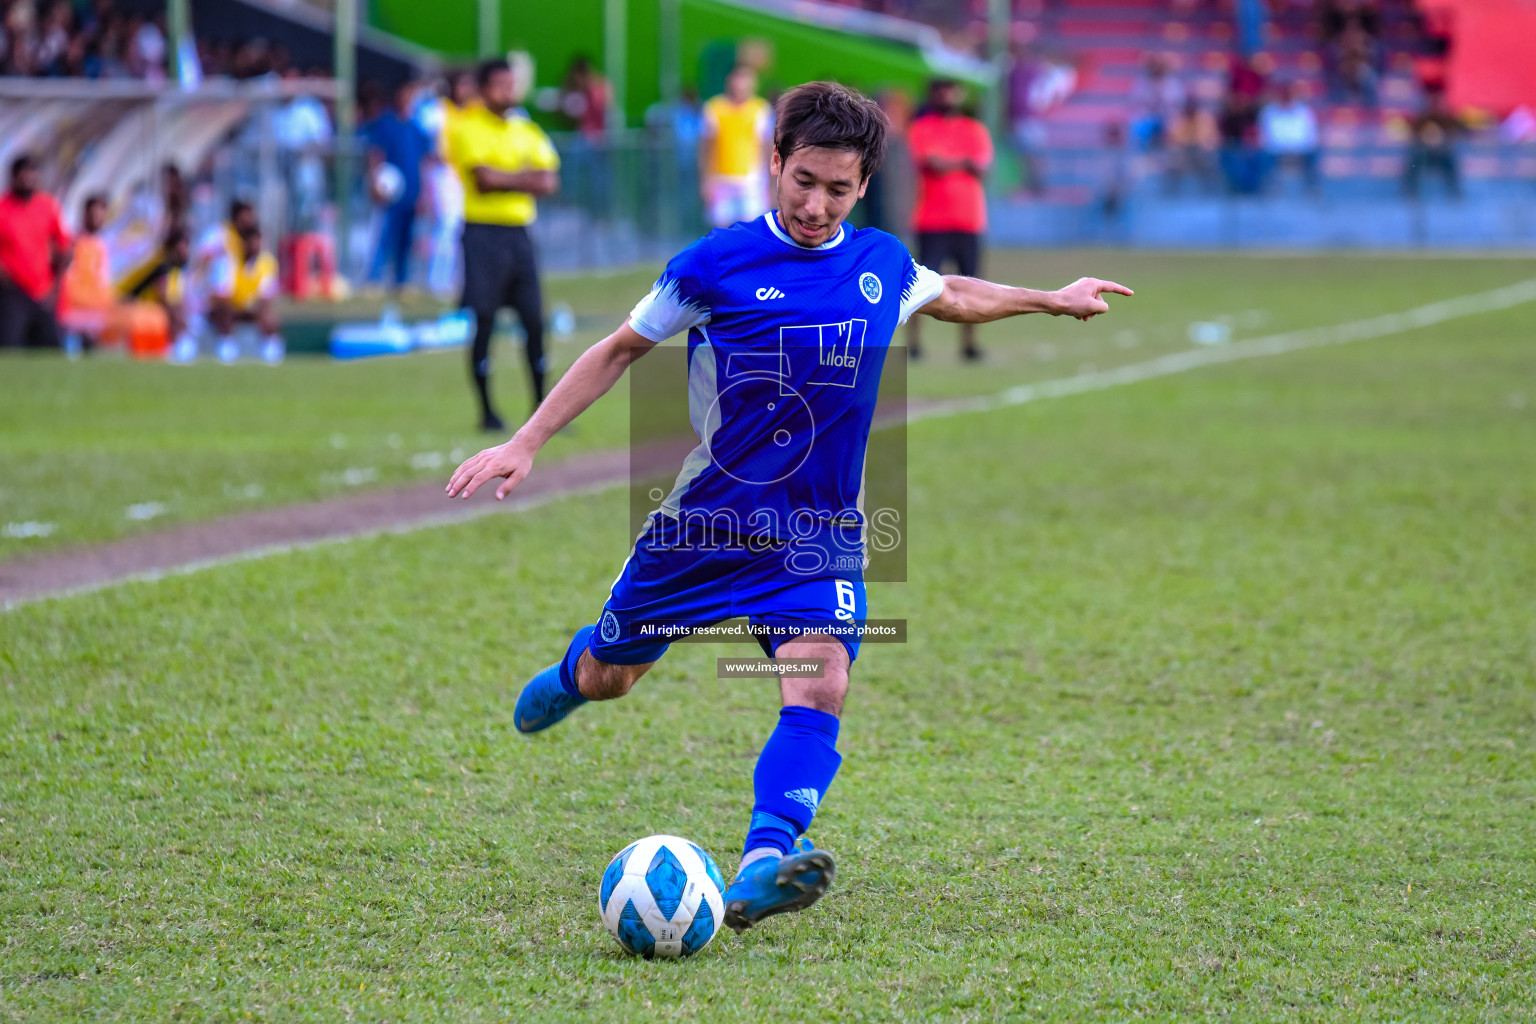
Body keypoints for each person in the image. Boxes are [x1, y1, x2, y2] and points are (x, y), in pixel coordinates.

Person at [444, 81, 1132, 934]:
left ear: (863, 186)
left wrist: (1048, 298)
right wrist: (527, 439)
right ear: (774, 163)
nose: (816, 204)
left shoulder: (879, 263)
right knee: (614, 676)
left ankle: (764, 860)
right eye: (802, 180)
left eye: (837, 189)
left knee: (823, 680)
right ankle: (574, 675)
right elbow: (621, 348)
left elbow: (949, 292)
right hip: (702, 527)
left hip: (818, 534)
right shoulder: (716, 263)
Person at [445, 58, 561, 431]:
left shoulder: (525, 128)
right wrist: (524, 176)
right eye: (499, 85)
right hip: (483, 232)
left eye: (511, 84)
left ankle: (541, 409)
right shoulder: (467, 126)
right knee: (484, 319)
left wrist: (506, 176)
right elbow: (483, 181)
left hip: (518, 234)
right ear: (482, 88)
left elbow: (549, 181)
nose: (508, 92)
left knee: (534, 320)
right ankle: (487, 410)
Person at [906, 78, 993, 362]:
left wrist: (949, 162)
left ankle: (970, 344)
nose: (947, 98)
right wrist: (963, 162)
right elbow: (930, 162)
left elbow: (980, 166)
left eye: (951, 92)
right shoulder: (922, 128)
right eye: (941, 92)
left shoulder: (975, 129)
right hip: (931, 220)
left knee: (973, 284)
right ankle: (914, 344)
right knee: (920, 285)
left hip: (969, 220)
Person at [362, 80, 433, 293]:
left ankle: (402, 281)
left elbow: (423, 163)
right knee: (385, 236)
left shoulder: (416, 127)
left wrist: (424, 194)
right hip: (390, 193)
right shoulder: (387, 123)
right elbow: (375, 154)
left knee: (406, 238)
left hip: (411, 191)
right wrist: (375, 180)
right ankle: (374, 280)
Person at [0, 153, 71, 349]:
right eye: (23, 176)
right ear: (13, 178)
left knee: (50, 348)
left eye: (32, 175)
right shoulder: (2, 207)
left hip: (43, 292)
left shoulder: (47, 206)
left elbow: (64, 247)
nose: (28, 180)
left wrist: (56, 287)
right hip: (11, 291)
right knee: (10, 346)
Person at [700, 64, 773, 228]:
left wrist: (770, 184)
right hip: (721, 180)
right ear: (729, 81)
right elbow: (706, 147)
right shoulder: (714, 108)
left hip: (752, 182)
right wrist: (706, 180)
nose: (741, 84)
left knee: (752, 229)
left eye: (746, 79)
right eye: (738, 78)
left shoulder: (760, 109)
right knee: (721, 229)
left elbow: (766, 147)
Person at [208, 224, 282, 363]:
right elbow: (219, 295)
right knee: (224, 311)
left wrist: (254, 307)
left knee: (269, 315)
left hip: (252, 309)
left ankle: (270, 350)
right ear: (243, 243)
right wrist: (239, 305)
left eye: (258, 241)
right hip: (231, 308)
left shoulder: (267, 263)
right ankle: (226, 347)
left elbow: (267, 295)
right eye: (251, 241)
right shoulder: (228, 261)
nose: (255, 246)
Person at [1258, 83, 1320, 194]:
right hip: (1276, 151)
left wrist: (1299, 147)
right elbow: (1264, 136)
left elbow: (1311, 135)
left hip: (1300, 150)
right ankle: (1268, 190)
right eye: (1282, 94)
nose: (1285, 97)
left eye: (1288, 94)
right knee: (1262, 155)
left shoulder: (1304, 111)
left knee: (1315, 153)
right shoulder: (1269, 112)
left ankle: (1312, 190)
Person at [1403, 89, 1463, 198]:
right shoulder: (1422, 119)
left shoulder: (1448, 119)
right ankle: (1411, 191)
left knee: (1449, 161)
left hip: (1441, 155)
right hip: (1424, 154)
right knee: (1415, 160)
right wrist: (1426, 139)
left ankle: (1454, 192)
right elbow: (1413, 136)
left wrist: (1443, 140)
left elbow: (1461, 131)